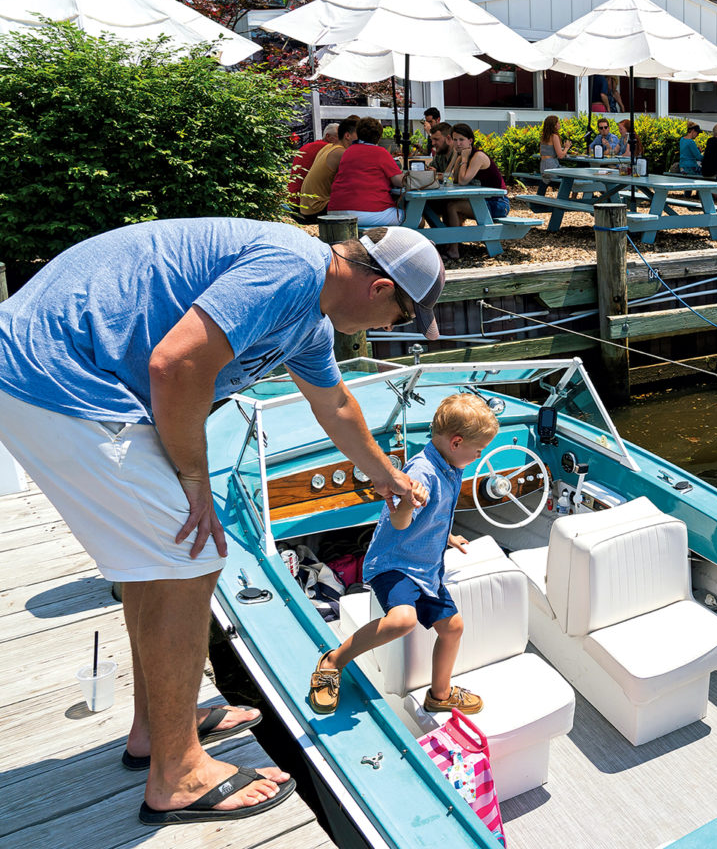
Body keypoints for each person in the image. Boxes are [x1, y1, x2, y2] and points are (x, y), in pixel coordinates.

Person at [0, 220, 438, 826]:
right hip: (57, 375)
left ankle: (156, 728)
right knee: (192, 553)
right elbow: (176, 364)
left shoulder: (308, 320)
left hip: (62, 377)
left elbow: (335, 405)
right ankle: (176, 775)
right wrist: (196, 483)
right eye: (401, 316)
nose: (392, 330)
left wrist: (388, 477)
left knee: (160, 562)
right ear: (380, 288)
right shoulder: (295, 268)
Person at [309, 393, 497, 716]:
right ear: (456, 442)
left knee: (453, 628)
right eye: (478, 449)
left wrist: (447, 537)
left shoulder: (451, 465)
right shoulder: (421, 474)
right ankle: (333, 660)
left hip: (426, 568)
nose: (480, 455)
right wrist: (409, 501)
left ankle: (440, 694)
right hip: (395, 565)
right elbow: (399, 521)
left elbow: (433, 516)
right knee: (404, 620)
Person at [440, 124, 509, 259]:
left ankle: (454, 249)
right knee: (448, 203)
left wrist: (463, 159)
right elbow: (449, 178)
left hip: (498, 203)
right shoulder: (463, 155)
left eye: (461, 140)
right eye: (454, 140)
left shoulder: (478, 156)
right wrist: (455, 156)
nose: (458, 143)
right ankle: (450, 244)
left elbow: (463, 181)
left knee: (452, 206)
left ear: (470, 141)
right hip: (482, 201)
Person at [328, 117, 404, 227]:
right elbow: (399, 181)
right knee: (414, 218)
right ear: (379, 137)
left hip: (335, 211)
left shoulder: (348, 151)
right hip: (366, 212)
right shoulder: (380, 152)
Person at [294, 116, 358, 220]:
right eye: (359, 135)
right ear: (347, 135)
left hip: (306, 207)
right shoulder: (341, 153)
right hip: (317, 209)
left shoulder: (328, 147)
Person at [290, 124, 337, 200]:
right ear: (328, 136)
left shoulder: (307, 146)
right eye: (340, 137)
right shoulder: (329, 149)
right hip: (305, 202)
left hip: (292, 198)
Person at [539, 114, 569, 191]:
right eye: (558, 123)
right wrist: (566, 147)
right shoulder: (554, 136)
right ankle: (568, 199)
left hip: (543, 166)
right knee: (571, 174)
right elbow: (561, 155)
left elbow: (542, 152)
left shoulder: (543, 137)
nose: (559, 124)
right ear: (554, 125)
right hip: (552, 166)